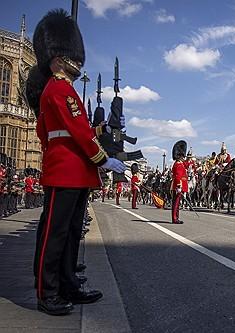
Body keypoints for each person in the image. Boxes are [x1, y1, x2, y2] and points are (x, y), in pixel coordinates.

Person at [27, 9, 126, 316]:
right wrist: (103, 157)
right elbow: (76, 133)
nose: (77, 63)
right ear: (57, 57)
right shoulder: (58, 89)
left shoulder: (63, 90)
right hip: (66, 170)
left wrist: (105, 128)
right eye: (71, 56)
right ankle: (48, 291)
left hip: (74, 170)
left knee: (70, 233)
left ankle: (68, 282)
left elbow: (74, 129)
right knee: (55, 234)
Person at [171, 140, 188, 224]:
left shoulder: (179, 163)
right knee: (176, 203)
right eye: (182, 156)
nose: (183, 157)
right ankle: (175, 218)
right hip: (178, 186)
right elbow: (178, 176)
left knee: (177, 203)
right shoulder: (178, 164)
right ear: (180, 156)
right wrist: (179, 186)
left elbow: (187, 165)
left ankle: (176, 217)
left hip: (179, 185)